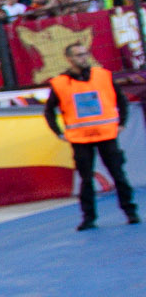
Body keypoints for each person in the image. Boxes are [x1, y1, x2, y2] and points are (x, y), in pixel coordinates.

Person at [39, 51, 136, 230]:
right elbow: (49, 111)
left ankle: (130, 212)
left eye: (85, 54)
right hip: (80, 138)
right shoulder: (60, 83)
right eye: (79, 55)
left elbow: (121, 100)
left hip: (106, 134)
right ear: (69, 59)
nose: (83, 58)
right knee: (86, 179)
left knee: (118, 174)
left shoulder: (103, 76)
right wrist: (59, 133)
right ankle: (88, 217)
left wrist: (122, 122)